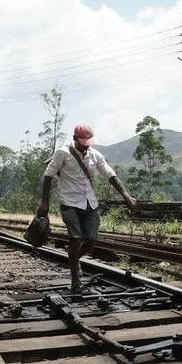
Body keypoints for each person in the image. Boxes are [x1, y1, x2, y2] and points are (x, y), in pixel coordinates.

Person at [37, 124, 137, 293]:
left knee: (90, 241)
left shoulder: (95, 155)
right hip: (69, 202)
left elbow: (110, 174)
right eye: (82, 141)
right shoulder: (63, 153)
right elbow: (48, 175)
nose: (86, 144)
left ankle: (74, 258)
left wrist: (126, 195)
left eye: (88, 141)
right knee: (75, 238)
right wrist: (44, 202)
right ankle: (75, 280)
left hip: (89, 203)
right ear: (75, 139)